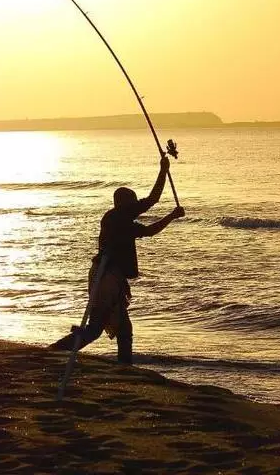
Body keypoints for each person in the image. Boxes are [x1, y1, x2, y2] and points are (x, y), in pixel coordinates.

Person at [49, 156, 184, 364]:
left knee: (123, 330)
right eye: (132, 202)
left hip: (109, 276)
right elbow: (152, 200)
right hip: (106, 277)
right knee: (95, 329)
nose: (136, 206)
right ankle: (53, 352)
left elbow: (149, 231)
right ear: (124, 203)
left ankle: (123, 366)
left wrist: (171, 216)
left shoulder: (123, 223)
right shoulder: (115, 217)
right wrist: (163, 171)